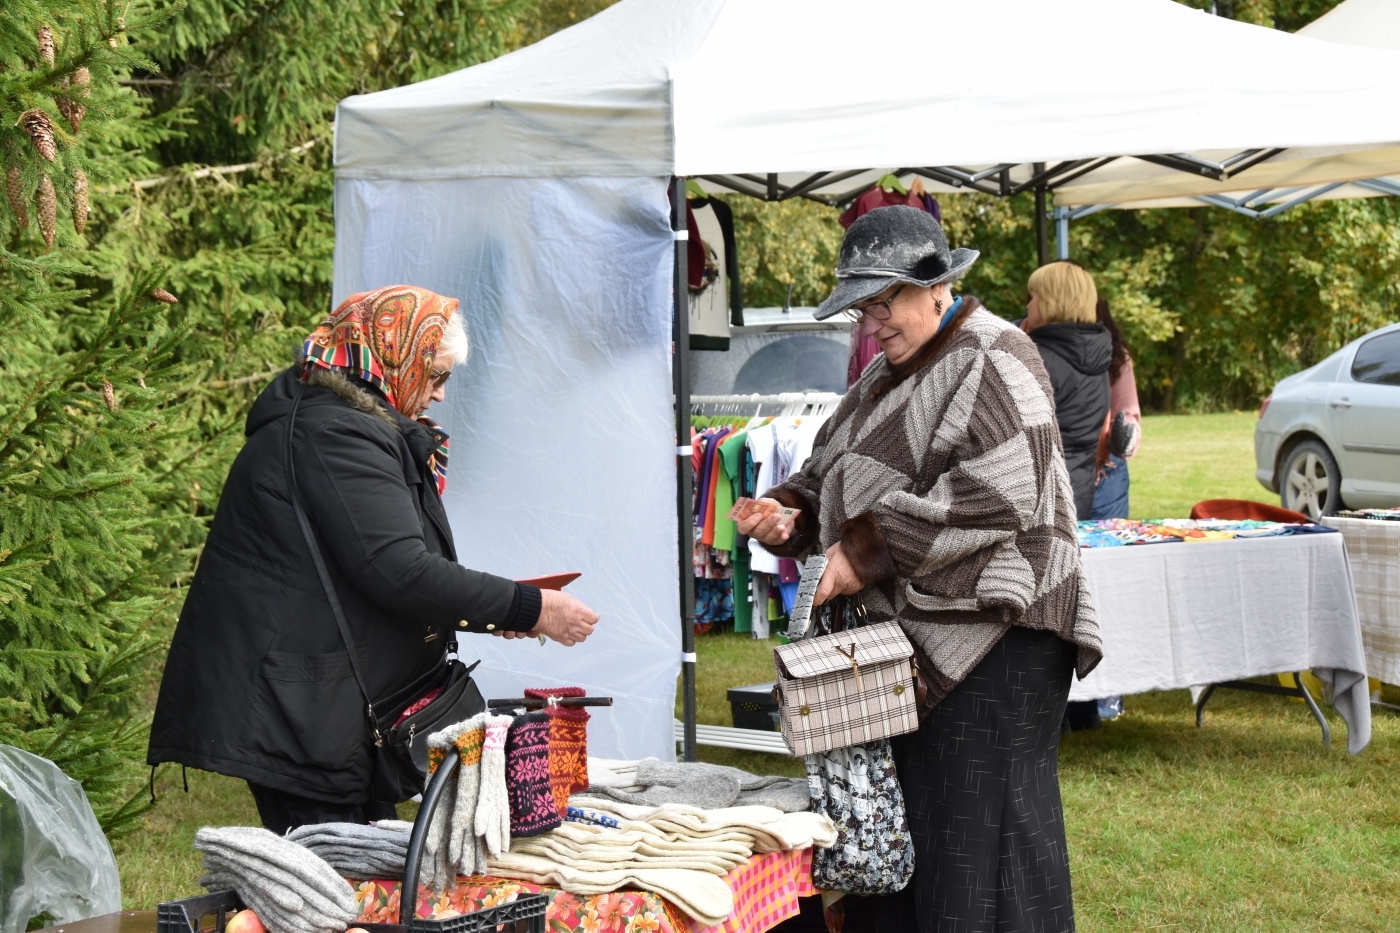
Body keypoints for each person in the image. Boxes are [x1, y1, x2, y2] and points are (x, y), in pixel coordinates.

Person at [739, 206, 1101, 933]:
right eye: (864, 308)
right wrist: (790, 513)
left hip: (1003, 636)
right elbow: (828, 472)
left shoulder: (999, 353)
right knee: (925, 837)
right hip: (918, 639)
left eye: (885, 302)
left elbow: (1003, 489)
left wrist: (863, 550)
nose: (874, 323)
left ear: (938, 286)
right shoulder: (881, 374)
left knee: (983, 838)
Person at [147, 285, 599, 834]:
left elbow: (379, 569)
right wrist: (529, 607)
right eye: (436, 375)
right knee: (325, 887)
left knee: (363, 872)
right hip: (297, 705)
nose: (437, 395)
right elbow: (399, 571)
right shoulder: (335, 432)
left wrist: (498, 610)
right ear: (393, 354)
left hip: (321, 697)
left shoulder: (352, 425)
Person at [1019, 261, 1114, 522]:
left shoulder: (1042, 360)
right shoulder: (1097, 359)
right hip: (1077, 492)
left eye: (1034, 296)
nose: (1028, 305)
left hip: (1038, 499)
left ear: (1052, 301)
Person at [1090, 297, 1142, 521]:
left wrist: (1125, 436)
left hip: (1106, 474)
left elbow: (1128, 414)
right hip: (1057, 474)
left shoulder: (1115, 354)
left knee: (1108, 549)